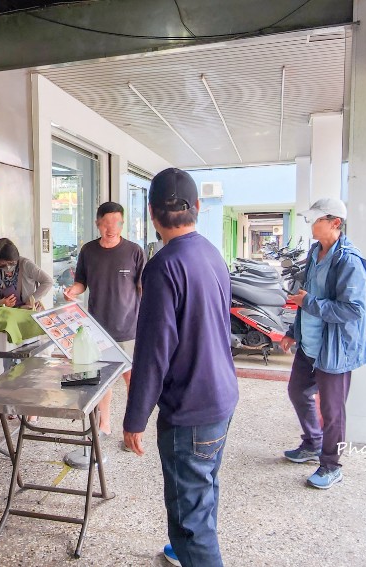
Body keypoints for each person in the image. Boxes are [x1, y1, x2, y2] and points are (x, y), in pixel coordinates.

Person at [123, 167, 238, 567]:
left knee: (190, 522)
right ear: (198, 208)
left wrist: (134, 417)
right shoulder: (211, 253)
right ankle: (186, 549)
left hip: (189, 409)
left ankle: (193, 550)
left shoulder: (161, 267)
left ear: (152, 214)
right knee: (203, 487)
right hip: (221, 395)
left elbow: (154, 352)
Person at [279, 197, 366, 490]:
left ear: (335, 223)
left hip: (334, 349)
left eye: (316, 220)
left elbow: (353, 310)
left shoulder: (349, 261)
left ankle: (331, 465)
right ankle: (312, 443)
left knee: (332, 411)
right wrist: (293, 331)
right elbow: (304, 295)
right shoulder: (315, 251)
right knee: (297, 390)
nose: (311, 225)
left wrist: (311, 303)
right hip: (309, 343)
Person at [63, 202, 145, 465]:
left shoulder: (134, 252)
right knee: (101, 381)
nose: (111, 229)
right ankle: (104, 424)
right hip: (97, 329)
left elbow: (143, 289)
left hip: (129, 328)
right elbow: (82, 282)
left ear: (122, 224)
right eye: (106, 223)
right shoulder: (89, 251)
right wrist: (73, 292)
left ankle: (132, 429)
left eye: (116, 223)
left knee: (132, 381)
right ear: (98, 223)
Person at [0, 238, 52, 309]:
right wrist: (1, 302)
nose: (8, 268)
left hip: (26, 310)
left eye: (11, 263)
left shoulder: (26, 264)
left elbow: (48, 281)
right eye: (2, 265)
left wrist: (32, 299)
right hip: (6, 311)